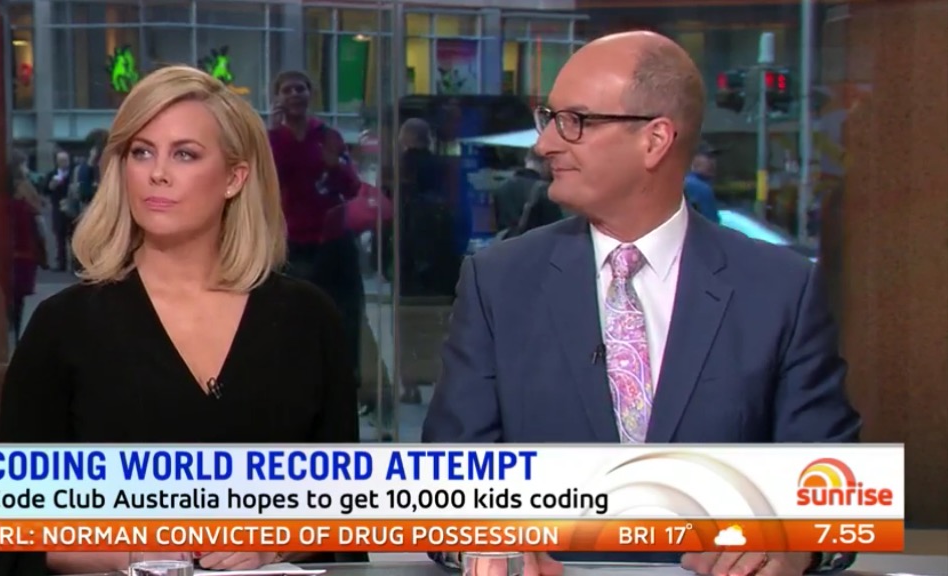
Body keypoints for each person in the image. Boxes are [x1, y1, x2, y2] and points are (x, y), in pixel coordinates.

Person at [422, 32, 860, 576]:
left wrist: (795, 546)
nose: (546, 144)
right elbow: (444, 488)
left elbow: (834, 492)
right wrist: (480, 541)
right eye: (549, 119)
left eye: (574, 121)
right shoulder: (498, 282)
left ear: (655, 140)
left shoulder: (781, 289)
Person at [0, 65, 360, 576]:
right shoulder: (63, 327)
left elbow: (342, 513)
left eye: (184, 154)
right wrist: (136, 553)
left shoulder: (307, 320)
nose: (157, 173)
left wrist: (273, 544)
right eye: (141, 152)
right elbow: (19, 535)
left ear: (235, 177)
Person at [266, 70, 365, 401]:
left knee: (343, 314)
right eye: (287, 90)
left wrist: (335, 165)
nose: (295, 94)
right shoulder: (271, 140)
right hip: (293, 241)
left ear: (311, 94)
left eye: (301, 88)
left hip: (332, 240)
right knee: (294, 317)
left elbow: (353, 188)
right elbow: (263, 185)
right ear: (278, 97)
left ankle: (344, 382)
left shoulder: (328, 136)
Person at [7, 149, 48, 343]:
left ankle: (10, 335)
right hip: (24, 252)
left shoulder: (1, 191)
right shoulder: (25, 190)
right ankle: (14, 337)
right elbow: (39, 222)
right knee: (18, 300)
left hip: (10, 252)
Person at [684, 141, 721, 223]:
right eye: (708, 157)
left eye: (714, 158)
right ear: (693, 159)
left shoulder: (678, 181)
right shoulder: (699, 187)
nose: (713, 162)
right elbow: (711, 223)